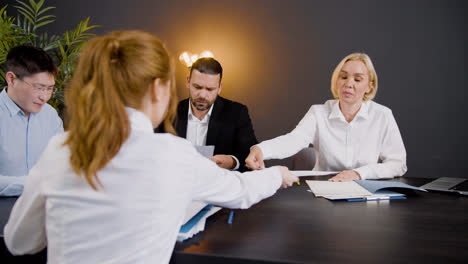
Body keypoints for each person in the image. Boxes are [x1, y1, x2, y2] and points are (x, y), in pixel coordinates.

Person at [4, 30, 298, 263]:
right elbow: (243, 192)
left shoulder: (60, 148)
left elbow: (19, 242)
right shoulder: (173, 155)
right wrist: (278, 174)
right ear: (159, 88)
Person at [246, 53, 407, 182]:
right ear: (337, 81)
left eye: (357, 79)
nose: (348, 83)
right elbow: (294, 140)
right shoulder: (318, 112)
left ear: (369, 86)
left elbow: (398, 164)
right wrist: (261, 149)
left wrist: (359, 174)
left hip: (365, 186)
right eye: (343, 77)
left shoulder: (382, 115)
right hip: (325, 187)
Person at [174, 57, 257, 172]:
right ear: (188, 82)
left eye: (210, 89)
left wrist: (232, 162)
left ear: (219, 88)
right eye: (197, 87)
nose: (202, 95)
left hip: (218, 186)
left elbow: (251, 155)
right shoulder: (170, 112)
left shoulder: (237, 113)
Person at [0, 45, 63, 195]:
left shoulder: (50, 116)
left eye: (49, 89)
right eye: (39, 87)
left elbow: (61, 165)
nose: (44, 97)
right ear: (11, 79)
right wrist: (34, 184)